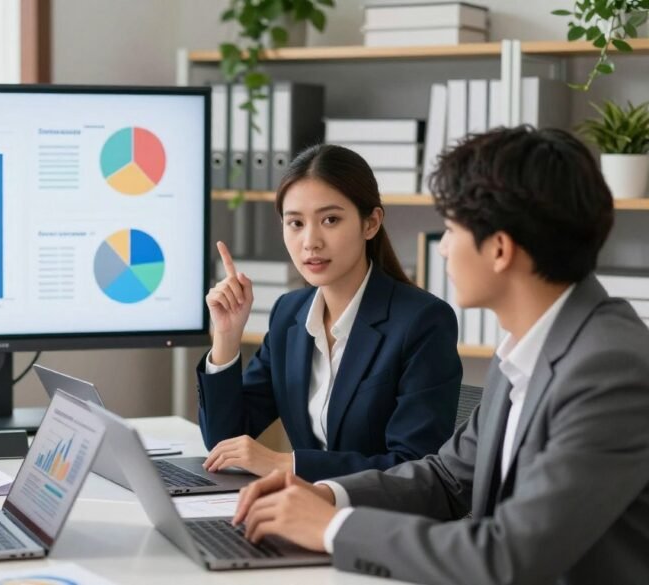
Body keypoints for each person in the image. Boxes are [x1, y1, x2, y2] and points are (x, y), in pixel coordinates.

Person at [233, 126, 649, 584]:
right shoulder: (525, 351)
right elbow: (448, 480)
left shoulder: (610, 370)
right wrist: (326, 496)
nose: (443, 247)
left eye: (450, 229)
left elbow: (508, 556)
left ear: (500, 249)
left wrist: (333, 529)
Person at [197, 144, 462, 481]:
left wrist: (288, 465)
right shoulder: (288, 315)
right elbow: (224, 442)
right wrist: (226, 336)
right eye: (295, 223)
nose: (310, 241)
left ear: (371, 223)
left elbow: (414, 468)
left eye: (330, 220)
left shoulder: (422, 322)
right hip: (300, 513)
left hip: (372, 521)